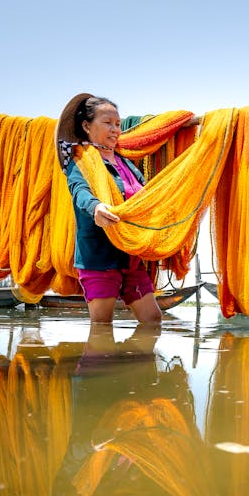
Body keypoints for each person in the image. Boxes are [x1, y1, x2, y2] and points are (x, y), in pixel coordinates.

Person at [55, 93, 162, 324]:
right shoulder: (80, 161)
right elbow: (79, 191)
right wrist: (96, 208)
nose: (115, 129)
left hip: (130, 257)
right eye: (107, 123)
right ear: (86, 126)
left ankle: (138, 361)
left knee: (152, 320)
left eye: (117, 124)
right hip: (98, 258)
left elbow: (144, 198)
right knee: (102, 328)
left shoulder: (127, 165)